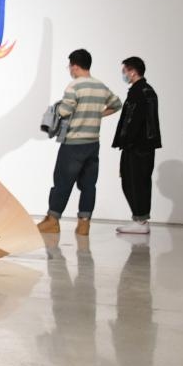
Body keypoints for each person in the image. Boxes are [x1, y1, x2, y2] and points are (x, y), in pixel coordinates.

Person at [37, 49, 121, 235]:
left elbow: (65, 111)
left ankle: (52, 221)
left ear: (75, 66)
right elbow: (117, 104)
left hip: (73, 143)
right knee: (89, 185)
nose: (69, 70)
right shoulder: (100, 86)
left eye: (69, 66)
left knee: (62, 182)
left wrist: (55, 110)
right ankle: (84, 224)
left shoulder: (74, 86)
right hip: (93, 143)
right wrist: (97, 114)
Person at [112, 56, 161, 234]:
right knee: (136, 181)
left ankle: (140, 221)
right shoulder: (146, 90)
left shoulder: (138, 92)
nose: (123, 74)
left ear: (132, 71)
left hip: (137, 146)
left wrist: (125, 141)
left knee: (134, 182)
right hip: (143, 146)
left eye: (124, 71)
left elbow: (133, 121)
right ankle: (140, 219)